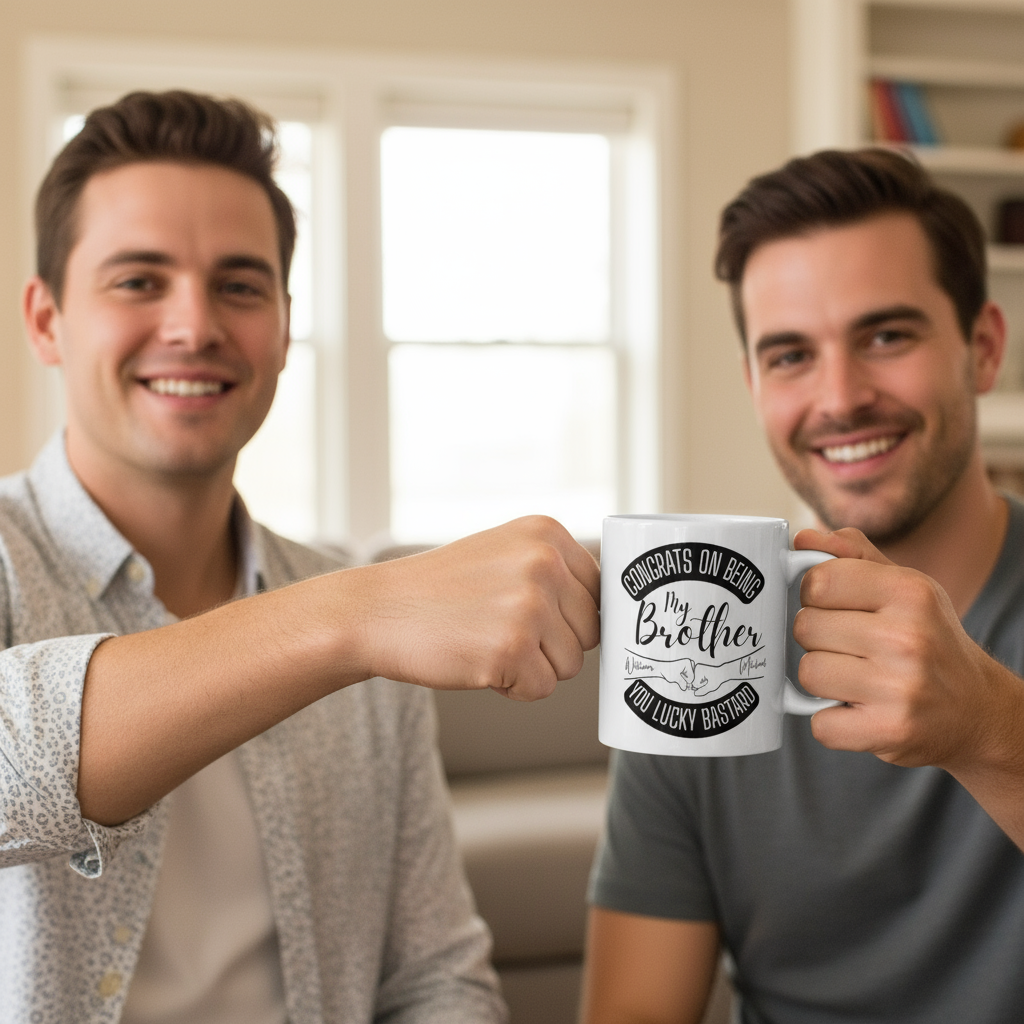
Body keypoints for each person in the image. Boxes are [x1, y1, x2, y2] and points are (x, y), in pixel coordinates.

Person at [0, 89, 600, 1023]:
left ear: (283, 324)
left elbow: (436, 977)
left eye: (240, 285)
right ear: (45, 320)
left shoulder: (367, 633)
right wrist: (351, 616)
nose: (194, 325)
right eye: (138, 281)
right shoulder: (361, 619)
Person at [581, 148, 1024, 1024]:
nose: (841, 397)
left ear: (982, 349)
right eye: (789, 355)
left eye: (887, 336)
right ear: (753, 384)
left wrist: (989, 729)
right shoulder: (689, 655)